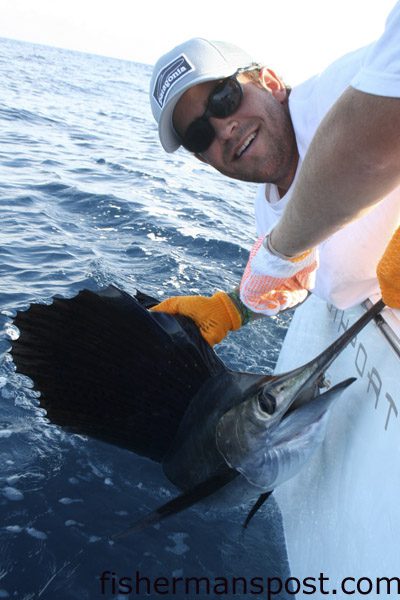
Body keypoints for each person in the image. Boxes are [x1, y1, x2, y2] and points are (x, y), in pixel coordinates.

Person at [148, 3, 400, 346]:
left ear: (271, 83)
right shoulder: (267, 214)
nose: (224, 130)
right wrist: (234, 308)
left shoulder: (343, 88)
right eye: (199, 135)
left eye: (224, 98)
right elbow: (299, 275)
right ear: (204, 160)